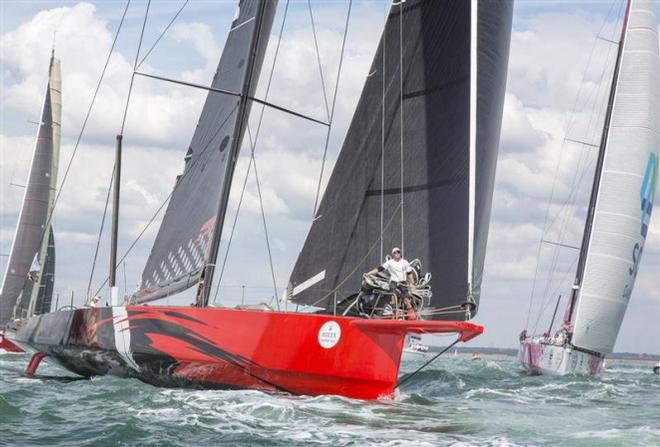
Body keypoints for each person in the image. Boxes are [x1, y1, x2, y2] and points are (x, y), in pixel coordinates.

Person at [366, 247, 417, 319]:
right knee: (393, 296)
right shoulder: (390, 262)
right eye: (395, 252)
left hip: (402, 281)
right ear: (392, 254)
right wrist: (369, 273)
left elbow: (409, 273)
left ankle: (410, 312)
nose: (397, 253)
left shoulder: (405, 262)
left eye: (398, 252)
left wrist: (412, 283)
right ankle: (395, 312)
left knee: (406, 298)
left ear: (400, 253)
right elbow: (379, 269)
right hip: (394, 282)